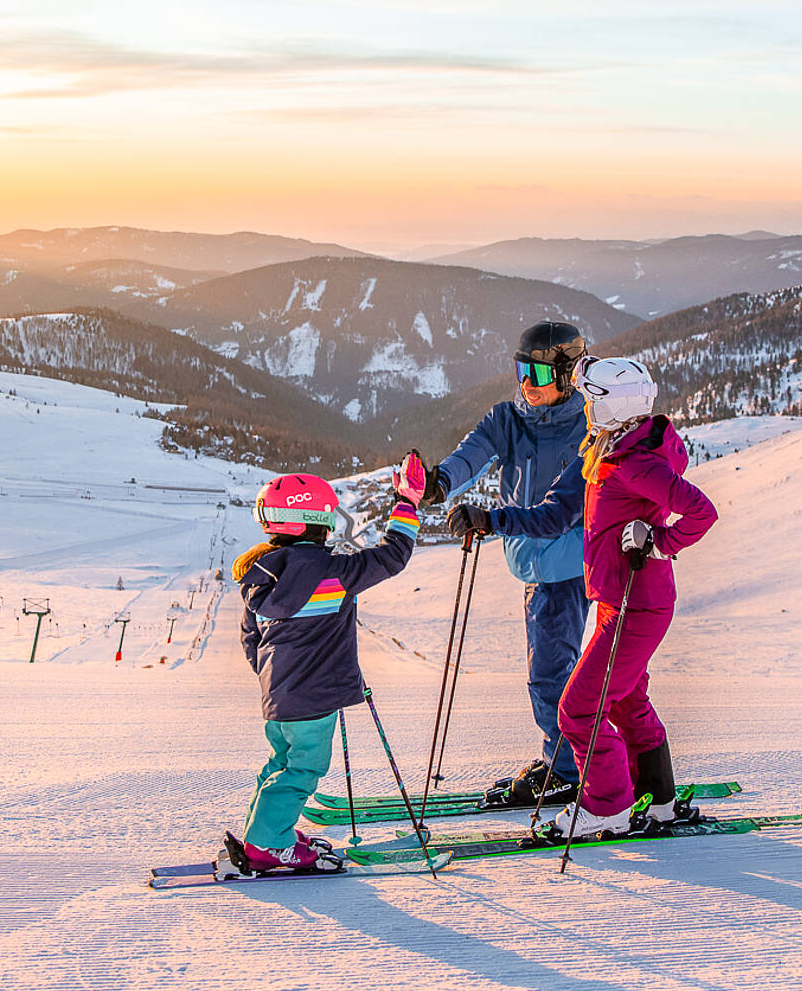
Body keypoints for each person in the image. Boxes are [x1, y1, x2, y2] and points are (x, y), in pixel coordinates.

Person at [452, 356, 717, 836]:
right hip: (619, 600)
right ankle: (656, 799)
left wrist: (658, 542)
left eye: (593, 401)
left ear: (615, 407)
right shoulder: (608, 450)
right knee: (625, 699)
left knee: (578, 709)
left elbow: (702, 511)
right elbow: (556, 514)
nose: (586, 408)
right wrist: (493, 520)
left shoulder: (632, 464)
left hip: (637, 604)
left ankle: (606, 806)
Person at [218, 456, 427, 877]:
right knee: (303, 769)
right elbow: (392, 556)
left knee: (281, 764)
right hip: (313, 701)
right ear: (316, 519)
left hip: (279, 699)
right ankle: (268, 845)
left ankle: (267, 831)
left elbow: (250, 640)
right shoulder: (333, 572)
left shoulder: (259, 576)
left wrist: (275, 679)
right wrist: (407, 501)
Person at [422, 321, 591, 808]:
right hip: (531, 564)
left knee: (551, 673)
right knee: (554, 669)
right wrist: (439, 484)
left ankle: (565, 768)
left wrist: (491, 519)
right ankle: (569, 756)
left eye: (536, 374)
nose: (525, 384)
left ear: (566, 376)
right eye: (520, 370)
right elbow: (469, 457)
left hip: (567, 566)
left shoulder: (588, 429)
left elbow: (562, 513)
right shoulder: (507, 419)